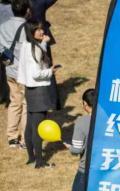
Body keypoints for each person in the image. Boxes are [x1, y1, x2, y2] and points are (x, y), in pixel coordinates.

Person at [17, 21, 60, 168]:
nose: (42, 32)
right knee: (38, 128)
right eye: (38, 30)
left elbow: (35, 56)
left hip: (30, 90)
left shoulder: (26, 45)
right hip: (39, 91)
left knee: (30, 126)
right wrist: (50, 71)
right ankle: (40, 162)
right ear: (31, 32)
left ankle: (31, 158)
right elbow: (36, 73)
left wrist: (44, 43)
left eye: (42, 29)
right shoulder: (35, 49)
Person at [54, 88, 95, 191]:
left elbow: (77, 149)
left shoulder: (82, 122)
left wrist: (69, 146)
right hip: (106, 168)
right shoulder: (110, 120)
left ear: (85, 104)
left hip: (86, 170)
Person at [0, 0, 28, 148]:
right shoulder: (27, 28)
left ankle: (11, 137)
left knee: (14, 102)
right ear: (27, 11)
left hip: (10, 69)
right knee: (26, 104)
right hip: (24, 72)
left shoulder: (3, 26)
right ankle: (24, 138)